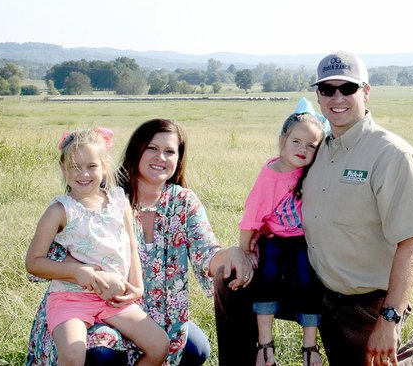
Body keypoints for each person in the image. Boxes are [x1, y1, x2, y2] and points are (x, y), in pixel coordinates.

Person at [26, 119, 256, 365]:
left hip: (149, 311)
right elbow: (47, 259)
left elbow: (206, 253)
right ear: (137, 149)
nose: (160, 157)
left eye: (169, 151)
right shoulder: (96, 196)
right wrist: (86, 271)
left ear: (179, 158)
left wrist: (233, 252)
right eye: (152, 148)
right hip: (86, 304)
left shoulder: (180, 202)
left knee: (194, 349)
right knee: (102, 354)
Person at [301, 50, 413, 366]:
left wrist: (388, 320)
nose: (337, 97)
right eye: (327, 89)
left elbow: (411, 244)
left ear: (366, 92)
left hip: (368, 307)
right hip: (323, 296)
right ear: (318, 96)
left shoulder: (392, 155)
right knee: (231, 287)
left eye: (347, 88)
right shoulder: (320, 149)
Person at [25, 127, 170, 365]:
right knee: (73, 355)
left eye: (91, 166)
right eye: (74, 166)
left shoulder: (118, 201)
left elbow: (131, 247)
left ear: (104, 167)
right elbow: (33, 262)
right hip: (70, 299)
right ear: (63, 168)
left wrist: (137, 287)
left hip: (114, 300)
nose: (83, 173)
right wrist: (77, 271)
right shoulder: (60, 210)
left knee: (159, 345)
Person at [237, 107, 325, 366]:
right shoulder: (270, 175)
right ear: (282, 140)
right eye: (296, 141)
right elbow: (252, 215)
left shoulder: (311, 171)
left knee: (309, 277)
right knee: (267, 275)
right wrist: (244, 252)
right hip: (274, 237)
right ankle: (265, 344)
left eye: (311, 145)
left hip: (303, 239)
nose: (302, 149)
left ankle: (310, 345)